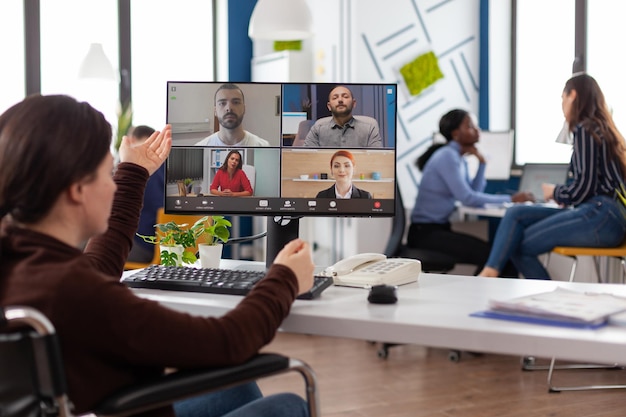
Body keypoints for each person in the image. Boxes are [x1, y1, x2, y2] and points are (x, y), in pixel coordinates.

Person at [0, 94, 314, 417]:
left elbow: (96, 269)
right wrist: (285, 278)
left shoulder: (22, 264)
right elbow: (227, 341)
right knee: (289, 405)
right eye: (108, 172)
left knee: (237, 386)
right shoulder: (76, 293)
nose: (112, 185)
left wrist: (134, 171)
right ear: (77, 190)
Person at [479, 73, 626, 279]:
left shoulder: (585, 129)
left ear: (572, 95)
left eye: (562, 98)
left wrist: (555, 192)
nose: (562, 104)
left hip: (600, 215)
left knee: (517, 244)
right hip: (608, 216)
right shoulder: (604, 130)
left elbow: (584, 188)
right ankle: (490, 272)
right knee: (515, 213)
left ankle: (491, 276)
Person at [408, 109, 534, 275]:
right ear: (455, 134)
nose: (477, 130)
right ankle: (483, 299)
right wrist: (511, 198)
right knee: (496, 258)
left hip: (437, 230)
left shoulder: (458, 158)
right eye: (470, 126)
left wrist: (482, 163)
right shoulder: (448, 156)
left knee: (497, 257)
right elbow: (468, 198)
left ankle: (485, 297)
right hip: (426, 234)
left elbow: (473, 191)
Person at [126, 125, 163, 263]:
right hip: (169, 246)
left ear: (131, 140)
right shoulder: (166, 166)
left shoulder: (139, 168)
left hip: (143, 245)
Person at [304, 85, 382, 148]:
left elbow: (377, 158)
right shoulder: (318, 127)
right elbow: (307, 157)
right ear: (329, 106)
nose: (340, 100)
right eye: (335, 98)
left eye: (345, 96)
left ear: (353, 103)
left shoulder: (369, 128)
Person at [195, 83, 270, 147]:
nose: (229, 108)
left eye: (236, 102)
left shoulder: (263, 145)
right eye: (222, 103)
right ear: (215, 111)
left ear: (244, 108)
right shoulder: (200, 146)